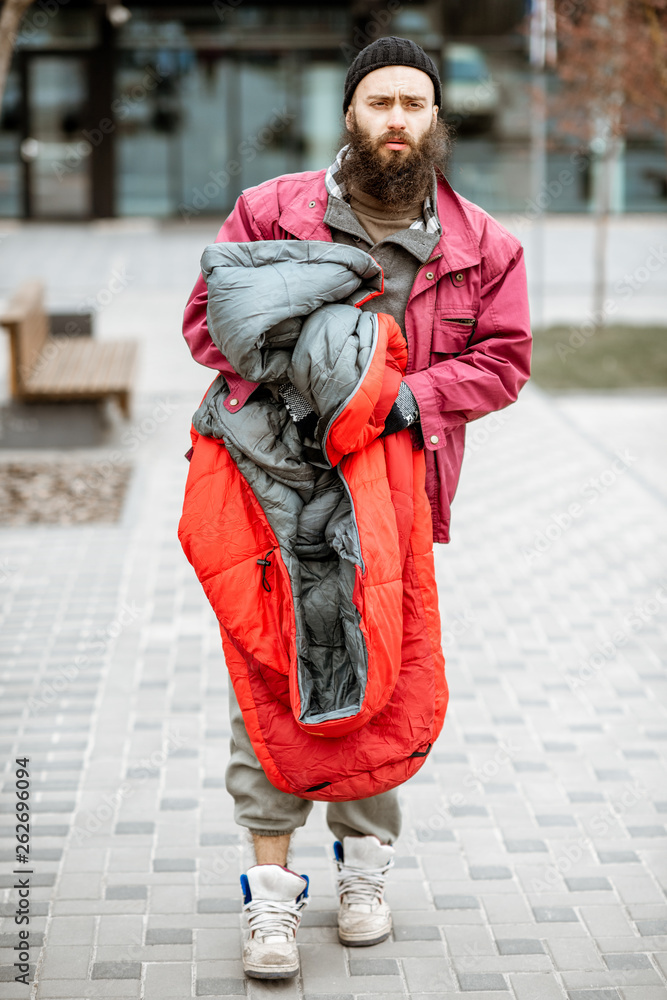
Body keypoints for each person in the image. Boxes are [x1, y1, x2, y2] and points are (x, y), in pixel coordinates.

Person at [182, 35, 531, 981]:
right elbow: (202, 325)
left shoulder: (485, 246)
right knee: (268, 667)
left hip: (394, 494)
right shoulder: (269, 211)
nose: (395, 120)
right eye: (378, 102)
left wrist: (397, 399)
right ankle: (269, 897)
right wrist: (313, 375)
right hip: (273, 487)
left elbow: (502, 362)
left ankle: (364, 875)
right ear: (349, 113)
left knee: (386, 661)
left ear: (434, 120)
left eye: (412, 105)